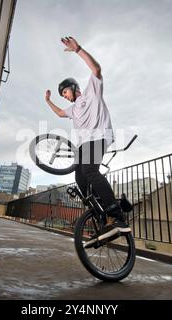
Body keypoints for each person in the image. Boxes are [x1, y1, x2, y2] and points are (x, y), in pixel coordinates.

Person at [45, 36, 130, 235]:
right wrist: (47, 101)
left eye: (65, 92)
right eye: (62, 95)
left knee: (90, 170)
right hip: (84, 145)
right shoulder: (73, 110)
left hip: (99, 137)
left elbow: (96, 70)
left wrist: (78, 49)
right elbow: (59, 113)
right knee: (81, 179)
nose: (64, 96)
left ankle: (117, 215)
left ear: (74, 88)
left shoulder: (92, 93)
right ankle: (101, 217)